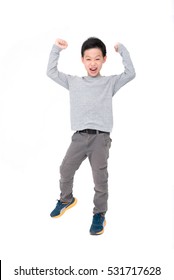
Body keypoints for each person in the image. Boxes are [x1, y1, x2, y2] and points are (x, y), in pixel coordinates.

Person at [47, 37, 136, 235]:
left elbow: (130, 73)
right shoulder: (74, 82)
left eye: (97, 58)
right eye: (88, 59)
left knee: (100, 179)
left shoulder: (109, 83)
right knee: (65, 169)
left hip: (100, 139)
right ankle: (66, 199)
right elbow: (51, 72)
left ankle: (99, 214)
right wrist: (56, 49)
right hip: (79, 138)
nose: (93, 63)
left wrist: (122, 50)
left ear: (104, 59)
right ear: (82, 60)